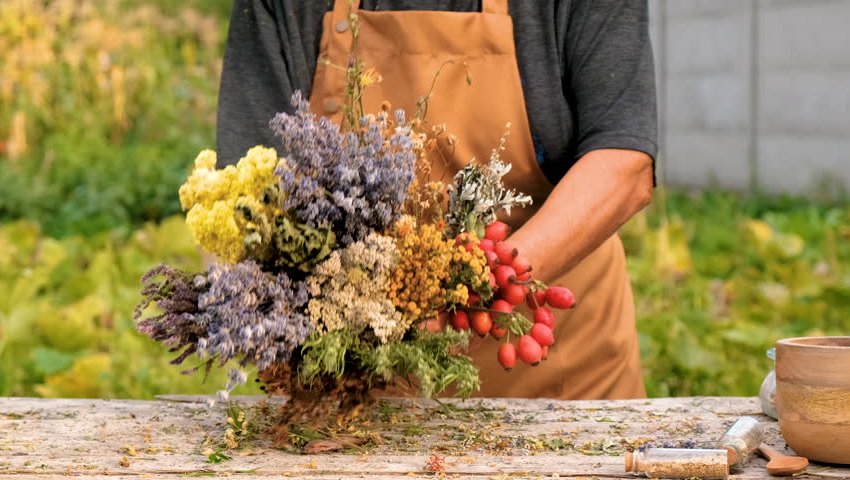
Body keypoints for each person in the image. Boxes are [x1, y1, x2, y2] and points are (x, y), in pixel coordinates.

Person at [216, 0, 657, 400]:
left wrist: (474, 286)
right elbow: (252, 194)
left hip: (559, 375)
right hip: (358, 383)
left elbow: (622, 167)